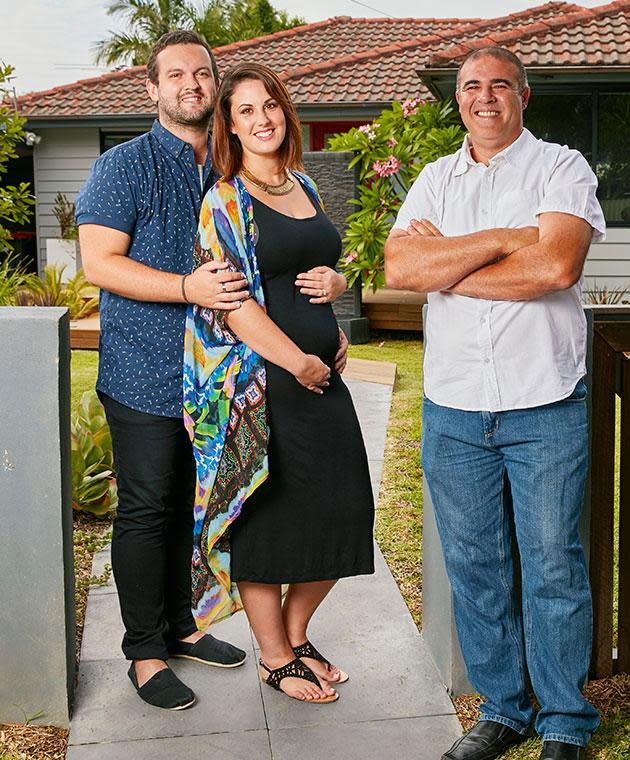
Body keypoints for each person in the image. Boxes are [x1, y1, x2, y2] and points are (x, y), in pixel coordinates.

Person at [75, 30, 329, 712]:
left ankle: (184, 627)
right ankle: (144, 652)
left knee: (200, 507)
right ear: (151, 88)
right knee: (148, 510)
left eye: (203, 73)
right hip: (145, 374)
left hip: (223, 383)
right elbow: (100, 264)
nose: (193, 83)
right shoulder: (124, 166)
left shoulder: (229, 165)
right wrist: (187, 287)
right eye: (177, 74)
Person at [384, 47, 605, 760]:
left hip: (542, 400)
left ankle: (566, 721)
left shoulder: (561, 168)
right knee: (476, 566)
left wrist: (448, 264)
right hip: (454, 406)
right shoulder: (433, 178)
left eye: (499, 85)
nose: (485, 97)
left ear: (523, 95)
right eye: (471, 87)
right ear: (458, 100)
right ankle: (504, 710)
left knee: (553, 568)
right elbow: (400, 268)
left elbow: (557, 265)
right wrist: (504, 243)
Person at [183, 62, 375, 705]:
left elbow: (323, 266)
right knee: (265, 521)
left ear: (285, 113)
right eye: (245, 111)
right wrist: (297, 360)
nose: (262, 118)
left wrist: (339, 296)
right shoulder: (225, 200)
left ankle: (294, 633)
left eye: (270, 105)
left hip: (323, 375)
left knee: (346, 511)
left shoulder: (304, 185)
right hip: (263, 385)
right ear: (228, 126)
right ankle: (273, 656)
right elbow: (232, 303)